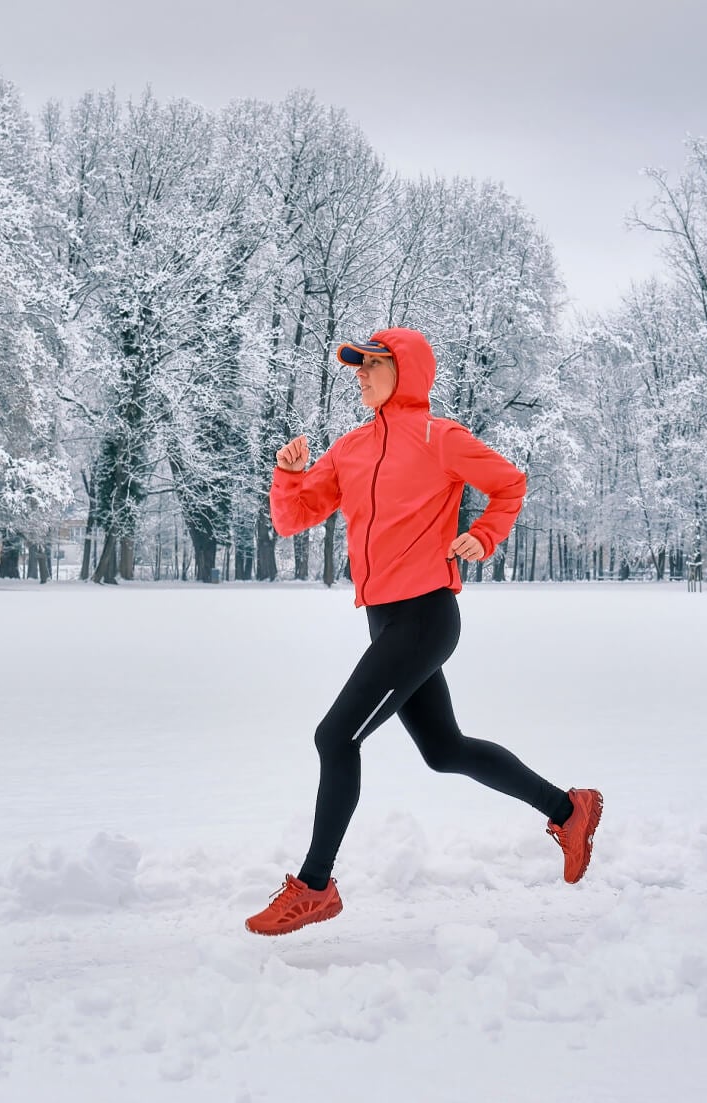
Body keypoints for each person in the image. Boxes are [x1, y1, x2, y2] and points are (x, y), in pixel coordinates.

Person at [245, 327, 601, 937]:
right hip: (385, 621)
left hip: (426, 616)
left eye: (371, 365)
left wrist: (482, 536)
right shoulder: (351, 448)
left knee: (335, 737)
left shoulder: (441, 437)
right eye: (355, 367)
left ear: (404, 372)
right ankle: (570, 811)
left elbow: (509, 485)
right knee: (445, 751)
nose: (359, 374)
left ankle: (315, 886)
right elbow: (292, 519)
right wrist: (288, 474)